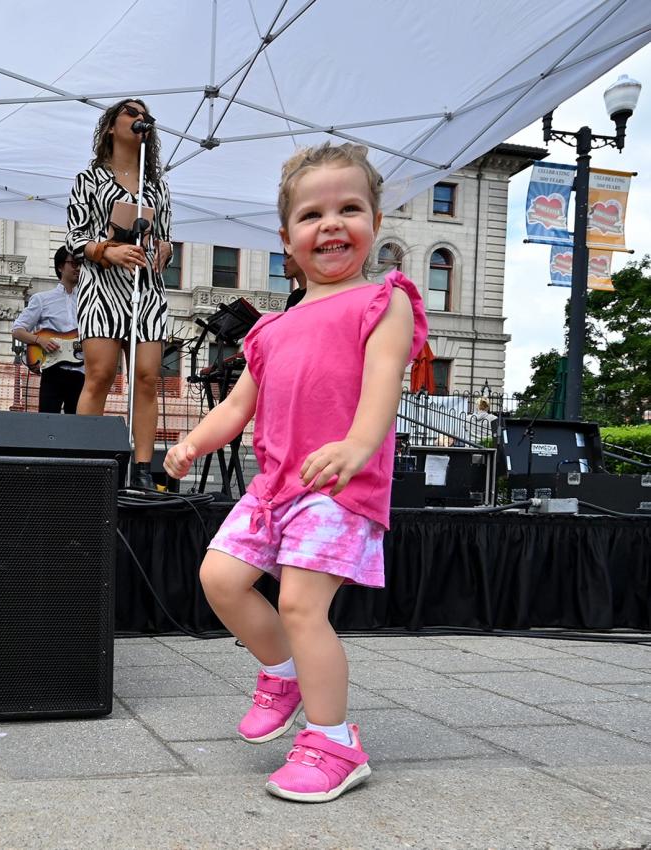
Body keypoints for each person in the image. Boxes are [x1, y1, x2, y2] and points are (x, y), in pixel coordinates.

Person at [163, 142, 427, 803]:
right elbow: (237, 405)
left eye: (350, 208)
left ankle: (335, 742)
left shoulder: (383, 301)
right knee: (219, 576)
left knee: (301, 605)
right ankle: (282, 674)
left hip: (339, 484)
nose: (332, 224)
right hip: (275, 485)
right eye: (313, 215)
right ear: (288, 239)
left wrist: (358, 446)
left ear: (374, 220)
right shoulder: (272, 329)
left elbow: (383, 384)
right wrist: (191, 442)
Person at [66, 98, 173, 488]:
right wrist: (106, 250)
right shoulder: (89, 180)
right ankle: (83, 468)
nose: (140, 118)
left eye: (145, 115)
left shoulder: (156, 185)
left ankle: (143, 471)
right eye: (131, 112)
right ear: (111, 126)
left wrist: (165, 247)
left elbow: (164, 236)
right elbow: (74, 238)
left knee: (146, 377)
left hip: (145, 287)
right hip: (103, 285)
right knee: (100, 374)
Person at [11, 245, 85, 414]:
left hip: (81, 371)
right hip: (53, 370)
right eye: (74, 263)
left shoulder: (88, 301)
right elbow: (17, 330)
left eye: (81, 263)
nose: (78, 268)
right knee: (48, 421)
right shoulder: (42, 299)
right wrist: (39, 340)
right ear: (60, 267)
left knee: (77, 425)